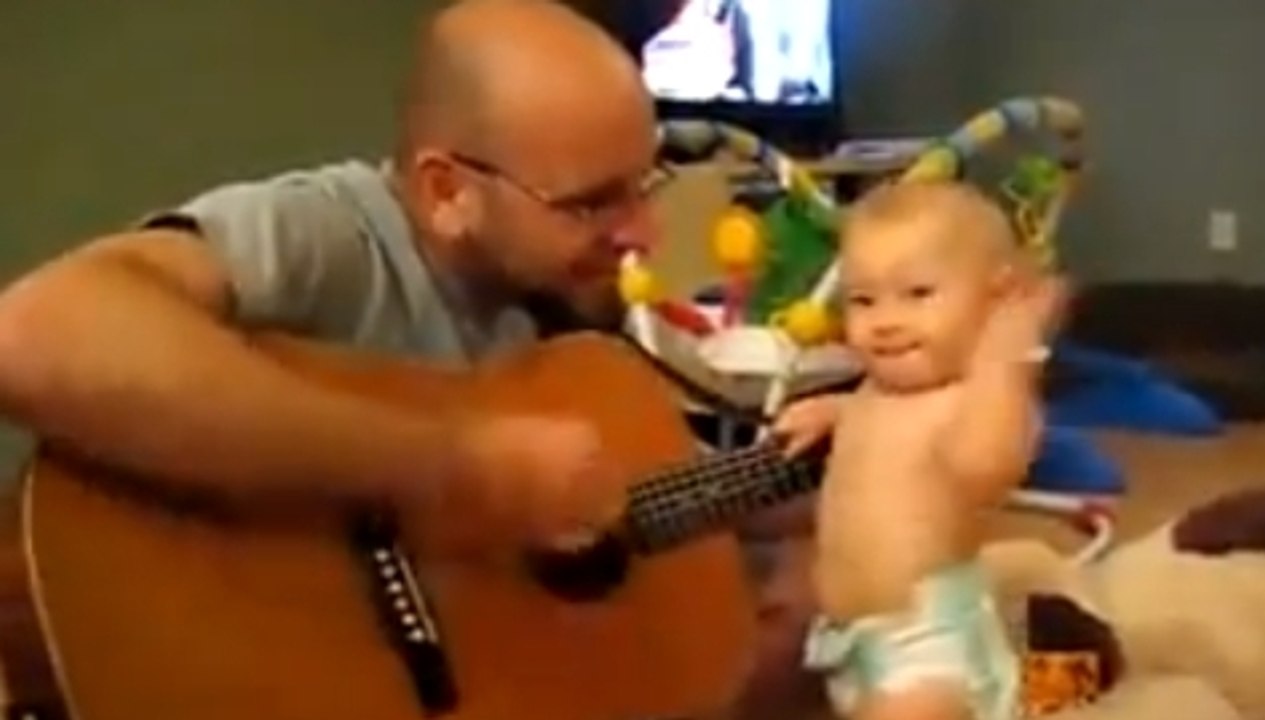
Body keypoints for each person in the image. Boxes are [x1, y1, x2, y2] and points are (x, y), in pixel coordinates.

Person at [0, 0, 829, 716]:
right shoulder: (334, 234)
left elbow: (624, 501)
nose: (640, 236)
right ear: (446, 191)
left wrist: (855, 466)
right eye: (589, 203)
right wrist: (454, 464)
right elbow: (32, 337)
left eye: (641, 187)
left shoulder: (557, 312)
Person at [770, 180, 1063, 720]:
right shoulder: (875, 392)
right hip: (849, 645)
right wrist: (835, 412)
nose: (884, 321)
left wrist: (1006, 355)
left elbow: (988, 466)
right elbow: (880, 434)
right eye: (862, 300)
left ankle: (1055, 682)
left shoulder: (969, 400)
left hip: (928, 650)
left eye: (918, 294)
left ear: (994, 300)